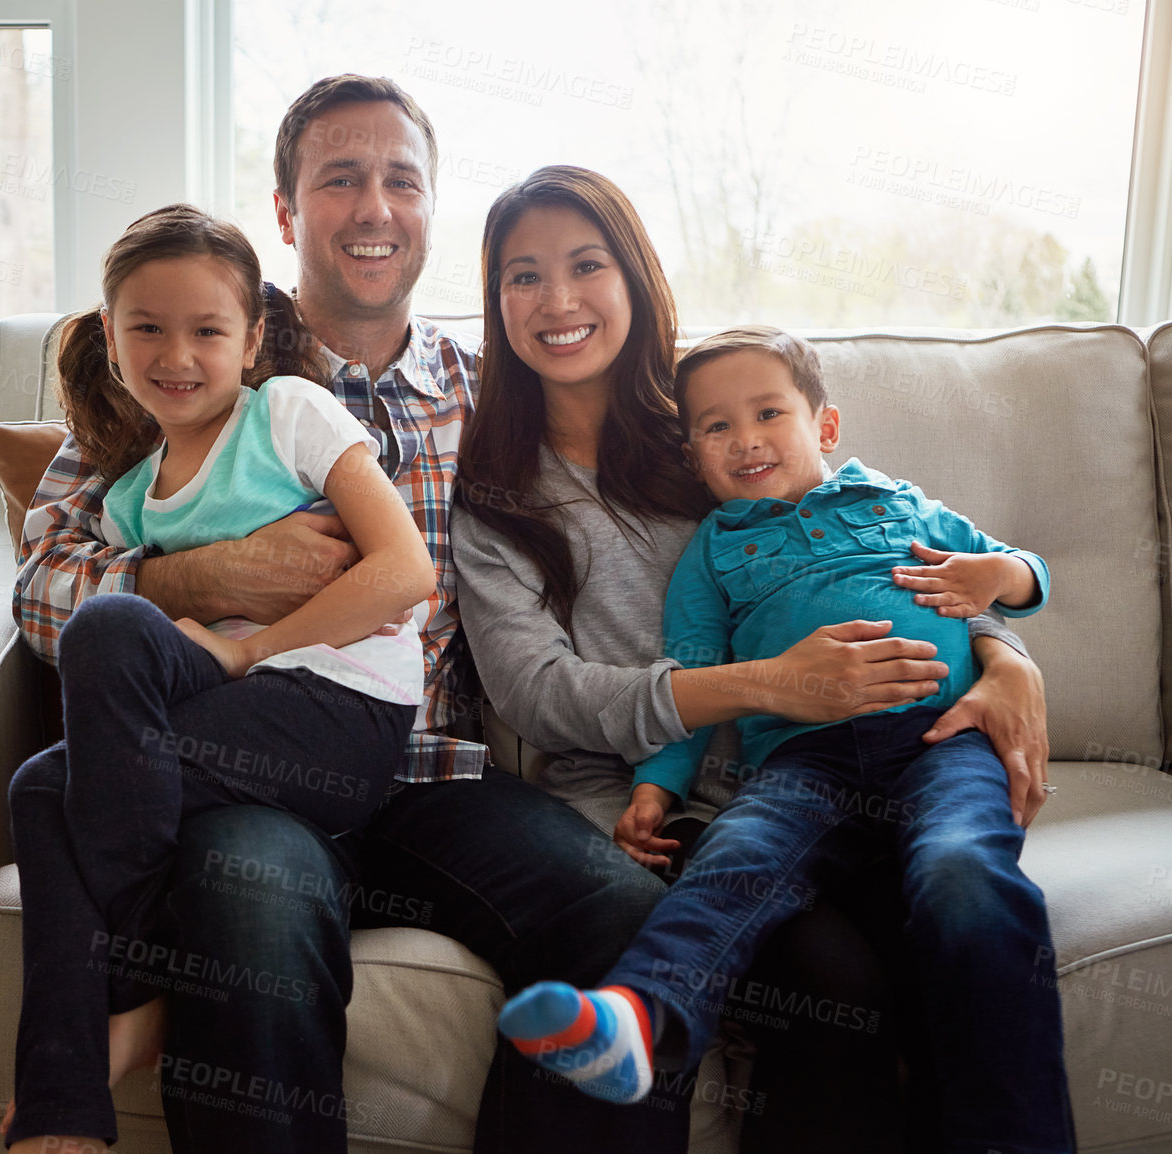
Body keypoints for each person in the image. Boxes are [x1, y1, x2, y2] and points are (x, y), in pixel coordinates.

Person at [16, 84, 1051, 1153]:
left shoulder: (493, 397)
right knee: (252, 916)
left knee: (625, 924)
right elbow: (40, 581)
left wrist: (996, 643)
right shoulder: (199, 355)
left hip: (440, 776)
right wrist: (211, 573)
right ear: (285, 211)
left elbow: (823, 535)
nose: (374, 206)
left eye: (401, 180)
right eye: (339, 179)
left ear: (429, 211)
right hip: (256, 769)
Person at [449, 166, 1056, 1151]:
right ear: (496, 302)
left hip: (848, 764)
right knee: (829, 982)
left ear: (636, 281)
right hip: (676, 795)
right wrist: (770, 685)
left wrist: (1004, 656)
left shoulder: (720, 437)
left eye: (586, 265)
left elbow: (895, 559)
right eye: (523, 276)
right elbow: (538, 692)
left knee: (936, 921)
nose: (557, 300)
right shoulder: (502, 493)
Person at [0, 203, 434, 1151]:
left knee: (61, 769)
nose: (176, 353)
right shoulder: (127, 498)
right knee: (88, 669)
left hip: (341, 707)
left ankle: (86, 1053)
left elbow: (405, 571)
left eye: (206, 330)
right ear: (109, 341)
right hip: (233, 713)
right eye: (146, 328)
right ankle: (82, 1086)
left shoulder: (288, 412)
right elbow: (57, 604)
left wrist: (244, 648)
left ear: (251, 344)